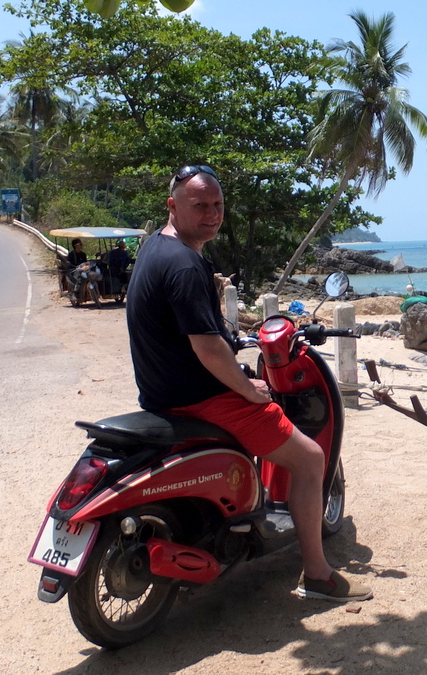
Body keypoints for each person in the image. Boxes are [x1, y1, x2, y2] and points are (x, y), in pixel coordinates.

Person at [125, 164, 371, 602]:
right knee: (311, 459)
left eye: (217, 204)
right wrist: (245, 387)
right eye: (199, 205)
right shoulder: (185, 265)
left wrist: (230, 337)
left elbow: (188, 329)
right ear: (173, 205)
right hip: (202, 398)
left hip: (160, 394)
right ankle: (317, 574)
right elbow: (208, 349)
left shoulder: (155, 248)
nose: (211, 214)